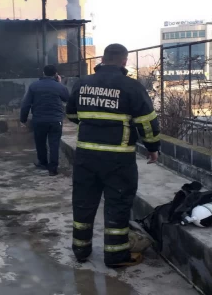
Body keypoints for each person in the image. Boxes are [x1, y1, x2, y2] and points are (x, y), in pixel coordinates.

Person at [65, 43, 160, 268]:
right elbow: (147, 122)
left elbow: (71, 114)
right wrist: (152, 147)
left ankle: (80, 250)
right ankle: (116, 256)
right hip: (119, 160)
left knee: (83, 203)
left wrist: (93, 123)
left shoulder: (83, 83)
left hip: (86, 156)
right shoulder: (131, 86)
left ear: (103, 59)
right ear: (124, 61)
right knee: (117, 205)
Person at [20, 65, 70, 176]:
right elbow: (67, 98)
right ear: (56, 74)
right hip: (56, 120)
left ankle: (43, 163)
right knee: (54, 143)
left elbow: (26, 104)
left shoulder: (34, 86)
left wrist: (23, 119)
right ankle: (53, 169)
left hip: (39, 120)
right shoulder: (59, 86)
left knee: (40, 142)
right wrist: (60, 83)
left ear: (43, 73)